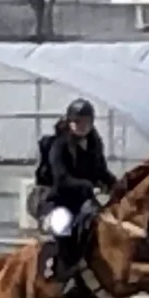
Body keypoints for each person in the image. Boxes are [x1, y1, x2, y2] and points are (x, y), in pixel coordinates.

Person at [41, 98, 117, 277]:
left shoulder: (94, 144)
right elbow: (61, 179)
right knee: (62, 223)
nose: (81, 126)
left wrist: (116, 184)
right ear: (69, 122)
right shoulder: (58, 145)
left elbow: (101, 171)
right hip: (60, 200)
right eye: (77, 121)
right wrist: (89, 186)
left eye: (86, 122)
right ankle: (55, 266)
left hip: (85, 200)